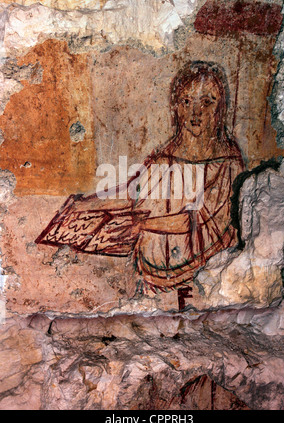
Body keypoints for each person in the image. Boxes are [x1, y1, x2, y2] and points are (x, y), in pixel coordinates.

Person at [36, 61, 244, 308]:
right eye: (186, 102)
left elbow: (200, 221)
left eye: (206, 102)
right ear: (176, 107)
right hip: (152, 276)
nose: (195, 112)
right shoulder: (165, 155)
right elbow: (135, 193)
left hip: (198, 275)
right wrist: (83, 204)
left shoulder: (227, 162)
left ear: (220, 108)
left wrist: (140, 224)